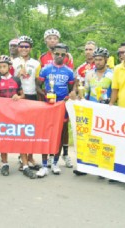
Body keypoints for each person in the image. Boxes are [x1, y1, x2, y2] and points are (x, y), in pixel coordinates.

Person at [0, 55, 35, 178]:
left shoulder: (16, 79)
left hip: (16, 114)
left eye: (4, 66)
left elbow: (23, 95)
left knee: (20, 138)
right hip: (3, 115)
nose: (2, 69)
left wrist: (18, 97)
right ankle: (5, 164)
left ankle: (25, 165)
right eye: (0, 67)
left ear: (9, 67)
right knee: (4, 139)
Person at [72, 47, 113, 176]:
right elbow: (86, 93)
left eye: (100, 60)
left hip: (106, 110)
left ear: (106, 60)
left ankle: (103, 168)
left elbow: (115, 93)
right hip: (92, 109)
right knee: (89, 138)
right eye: (96, 60)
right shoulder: (89, 73)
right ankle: (84, 165)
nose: (98, 62)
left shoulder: (113, 74)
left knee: (105, 139)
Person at [36, 43, 75, 177]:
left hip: (61, 107)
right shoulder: (45, 69)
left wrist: (70, 96)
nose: (59, 56)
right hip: (49, 106)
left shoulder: (69, 72)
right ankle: (44, 165)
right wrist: (44, 95)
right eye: (57, 54)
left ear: (66, 56)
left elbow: (71, 89)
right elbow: (38, 86)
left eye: (62, 54)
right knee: (46, 134)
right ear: (52, 54)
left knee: (59, 135)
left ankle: (55, 163)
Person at [12, 35, 42, 171]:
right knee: (21, 129)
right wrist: (18, 75)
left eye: (26, 46)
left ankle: (30, 157)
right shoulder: (13, 62)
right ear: (18, 48)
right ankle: (22, 158)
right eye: (21, 46)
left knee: (32, 129)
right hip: (19, 97)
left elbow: (38, 83)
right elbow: (10, 81)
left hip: (32, 96)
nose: (24, 49)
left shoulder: (36, 63)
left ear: (30, 48)